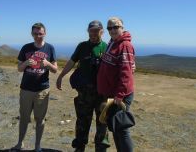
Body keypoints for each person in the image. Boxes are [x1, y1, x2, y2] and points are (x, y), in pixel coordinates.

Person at [56, 20, 110, 152]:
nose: (93, 33)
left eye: (96, 31)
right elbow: (71, 62)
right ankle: (79, 148)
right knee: (82, 122)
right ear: (88, 31)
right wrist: (61, 76)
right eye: (91, 30)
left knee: (102, 122)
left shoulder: (107, 47)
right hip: (84, 93)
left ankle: (101, 148)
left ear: (102, 31)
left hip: (102, 95)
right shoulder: (82, 46)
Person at [14, 23, 58, 152]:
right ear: (32, 34)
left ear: (45, 33)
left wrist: (48, 64)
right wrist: (26, 63)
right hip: (26, 89)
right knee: (24, 118)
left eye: (40, 33)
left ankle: (37, 145)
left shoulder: (50, 48)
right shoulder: (26, 48)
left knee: (40, 119)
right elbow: (19, 68)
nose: (38, 36)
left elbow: (55, 70)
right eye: (35, 33)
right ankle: (19, 143)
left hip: (42, 90)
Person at [97, 17, 136, 152]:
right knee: (115, 128)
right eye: (109, 28)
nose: (112, 30)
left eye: (116, 27)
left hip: (120, 96)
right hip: (111, 95)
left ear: (122, 27)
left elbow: (126, 74)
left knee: (122, 130)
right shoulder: (113, 42)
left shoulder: (124, 45)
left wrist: (120, 95)